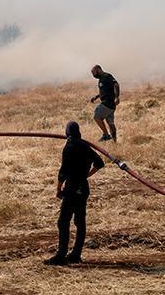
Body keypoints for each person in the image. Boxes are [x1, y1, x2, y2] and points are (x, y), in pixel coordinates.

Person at [46, 122, 105, 265]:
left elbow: (64, 171)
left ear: (67, 133)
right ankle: (76, 255)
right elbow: (99, 163)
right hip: (83, 187)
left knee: (63, 221)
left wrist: (58, 189)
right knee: (80, 221)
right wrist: (86, 175)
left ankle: (61, 255)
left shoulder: (69, 147)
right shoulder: (85, 146)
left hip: (72, 188)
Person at [89, 65, 120, 141]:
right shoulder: (101, 79)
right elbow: (105, 91)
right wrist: (96, 97)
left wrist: (117, 97)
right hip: (110, 105)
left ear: (98, 70)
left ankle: (106, 135)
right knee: (110, 123)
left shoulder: (107, 76)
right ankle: (114, 141)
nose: (93, 75)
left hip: (107, 103)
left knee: (96, 116)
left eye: (93, 73)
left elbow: (116, 85)